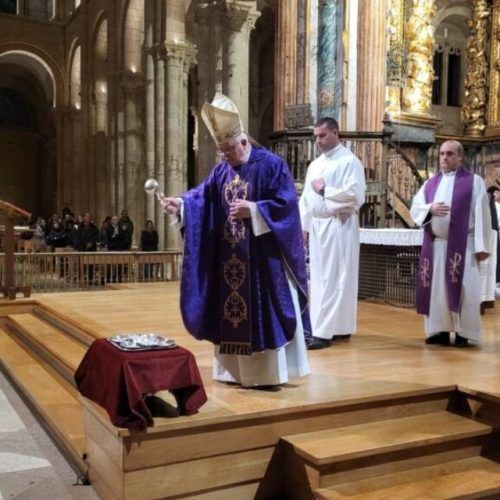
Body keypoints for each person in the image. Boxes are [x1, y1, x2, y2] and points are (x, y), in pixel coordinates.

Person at [161, 92, 311, 387]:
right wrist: (181, 205)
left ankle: (265, 375)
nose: (225, 155)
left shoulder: (272, 165)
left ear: (244, 142)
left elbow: (287, 205)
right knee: (229, 314)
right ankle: (233, 373)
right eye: (221, 150)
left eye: (229, 149)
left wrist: (254, 209)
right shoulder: (222, 171)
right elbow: (202, 197)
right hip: (230, 262)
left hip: (261, 263)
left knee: (262, 314)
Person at [410, 140, 491, 347]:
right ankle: (440, 331)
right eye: (442, 154)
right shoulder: (430, 183)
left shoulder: (474, 182)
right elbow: (416, 207)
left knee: (466, 289)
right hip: (436, 246)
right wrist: (430, 209)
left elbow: (482, 215)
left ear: (460, 157)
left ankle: (464, 332)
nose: (444, 158)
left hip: (464, 246)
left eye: (450, 154)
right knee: (437, 290)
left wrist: (482, 247)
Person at [299, 117, 366, 350]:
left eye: (322, 135)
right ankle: (339, 327)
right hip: (318, 227)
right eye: (316, 136)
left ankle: (323, 332)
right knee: (319, 279)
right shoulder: (315, 165)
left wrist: (326, 190)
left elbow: (356, 196)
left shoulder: (350, 162)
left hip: (339, 225)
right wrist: (304, 226)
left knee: (334, 278)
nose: (318, 140)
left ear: (336, 133)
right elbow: (306, 198)